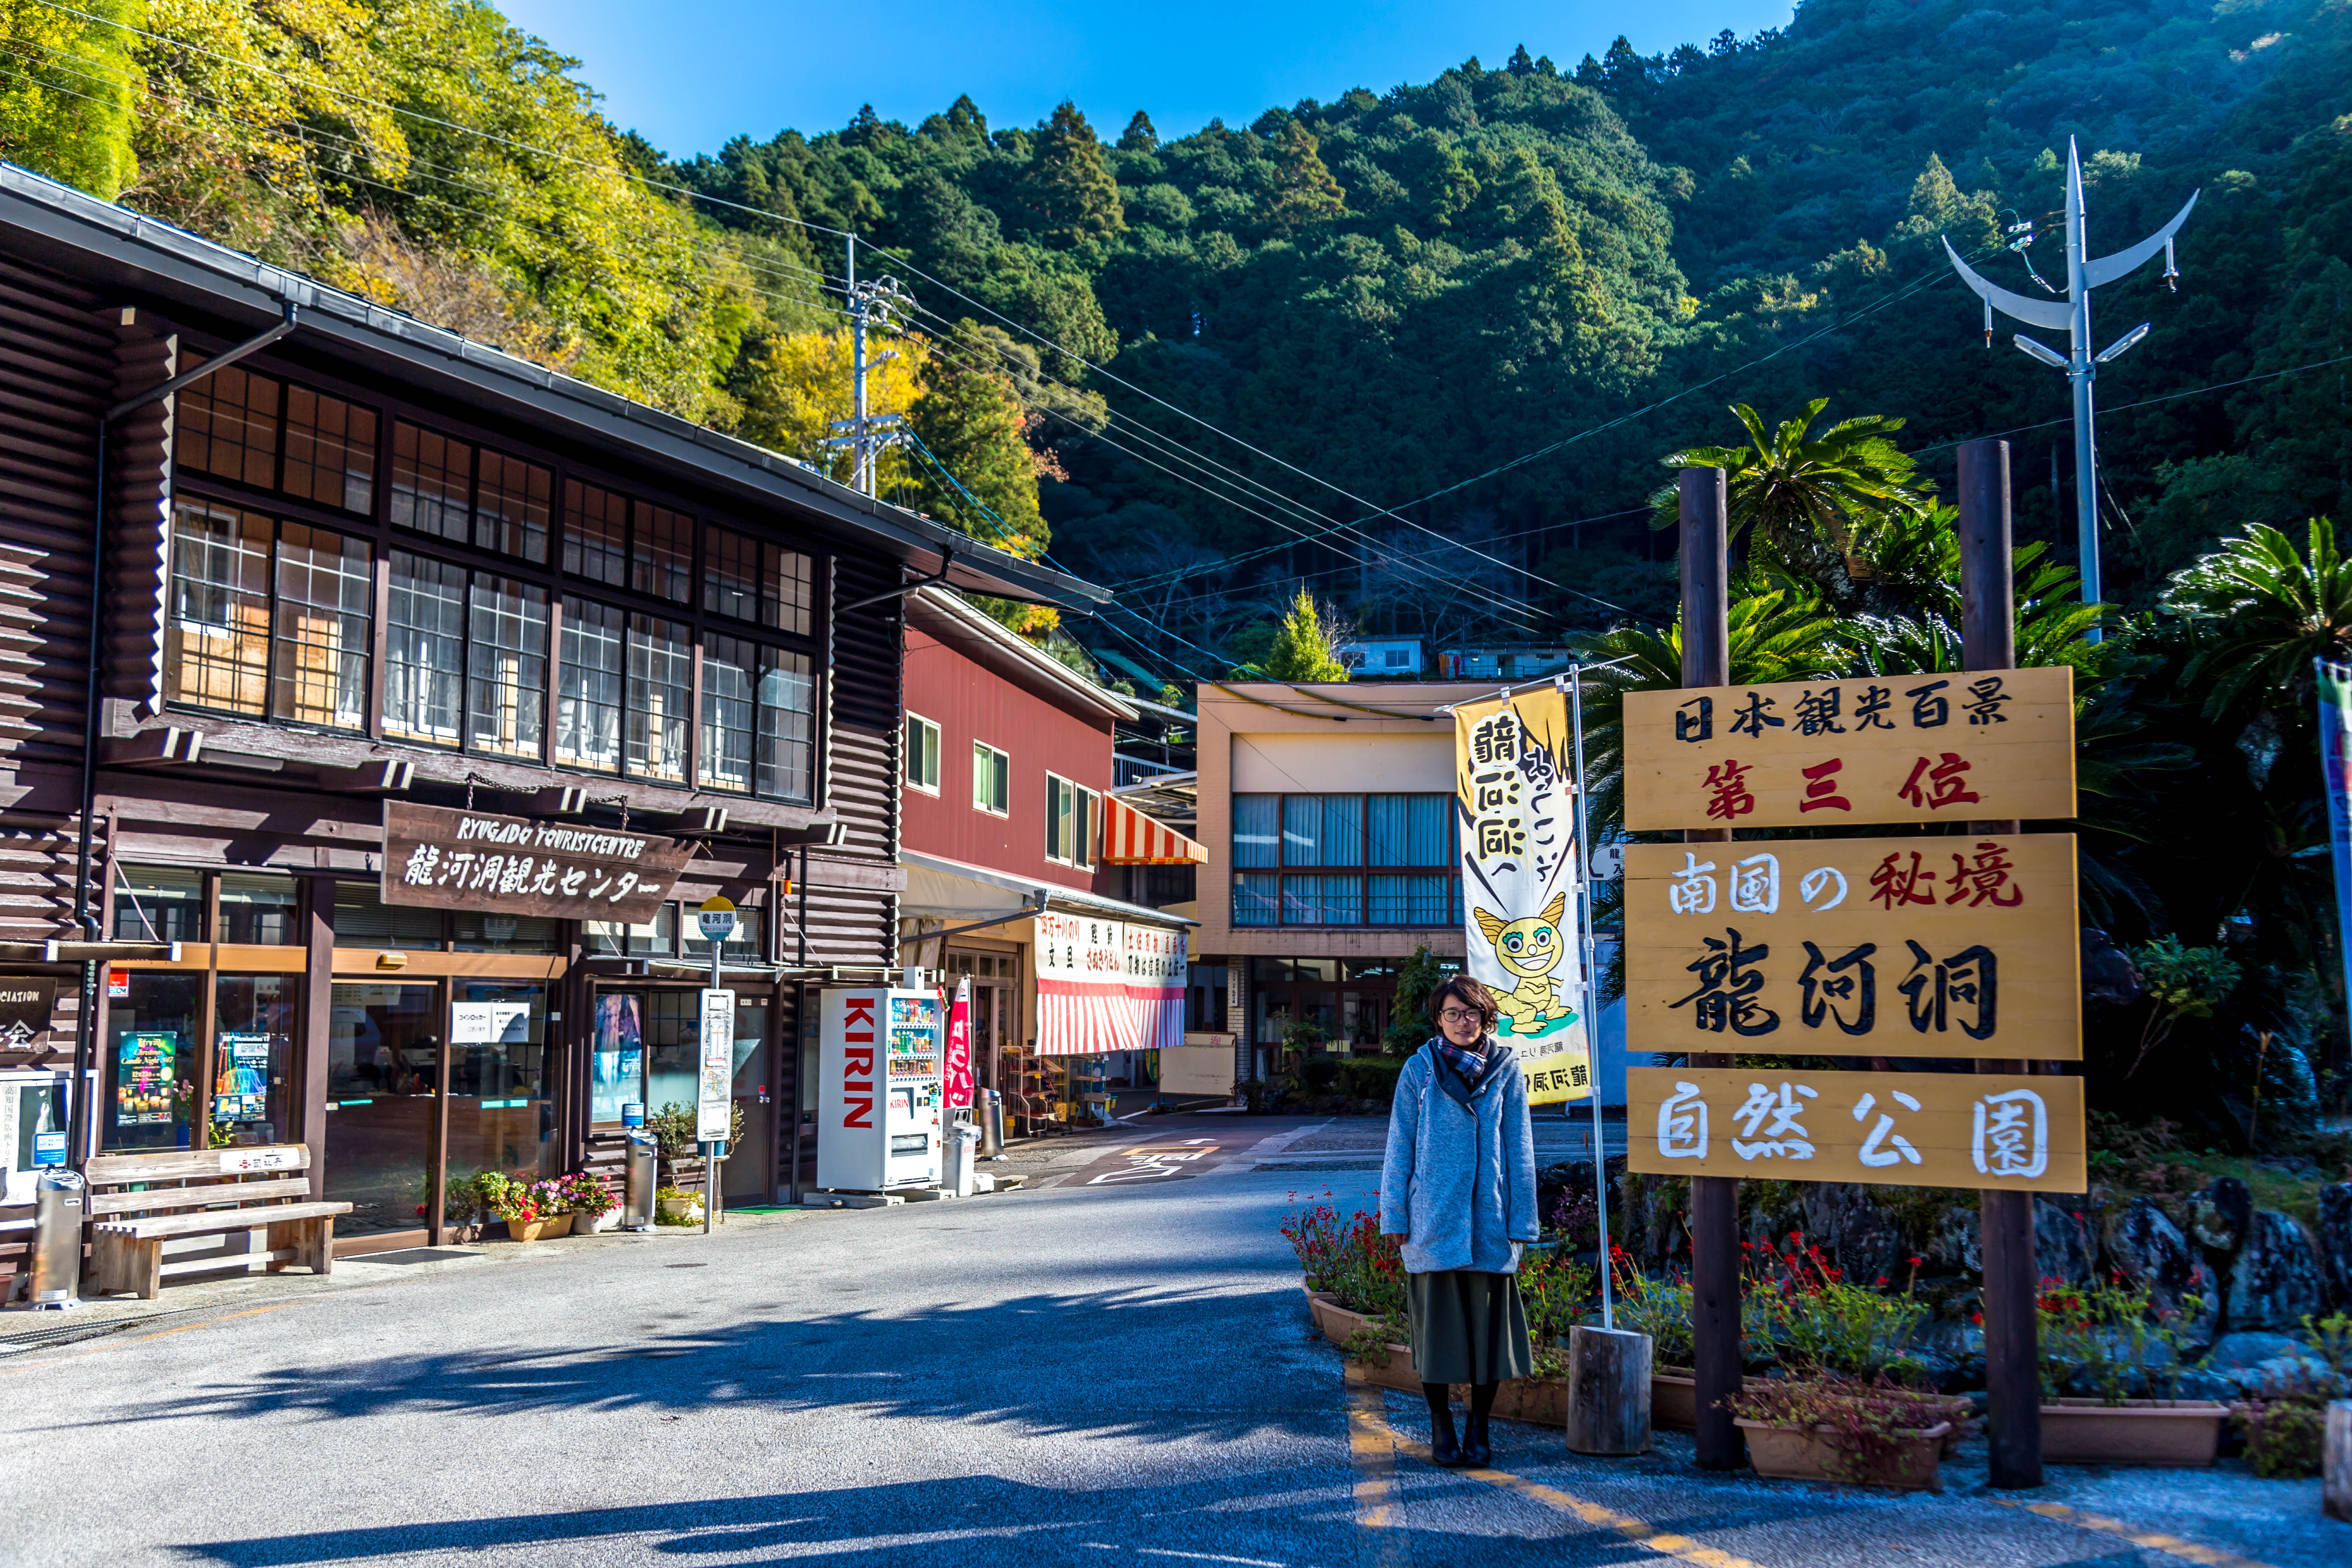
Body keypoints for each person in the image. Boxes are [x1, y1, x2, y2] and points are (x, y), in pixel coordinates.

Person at [1378, 974, 1537, 1468]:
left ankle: (1479, 1429)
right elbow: (1399, 1145)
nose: (1461, 1022)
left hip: (1489, 1219)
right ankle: (1442, 1427)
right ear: (1438, 1019)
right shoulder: (1418, 1070)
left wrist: (1522, 1220)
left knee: (1488, 1340)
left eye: (1470, 1013)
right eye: (1452, 1014)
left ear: (1485, 1016)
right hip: (1434, 1218)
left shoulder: (1508, 1069)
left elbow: (1521, 1147)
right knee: (1437, 1338)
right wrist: (1395, 1213)